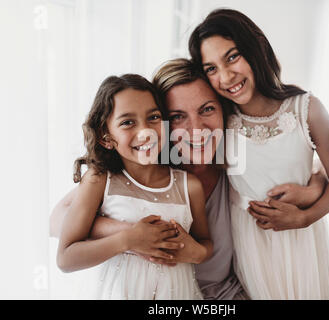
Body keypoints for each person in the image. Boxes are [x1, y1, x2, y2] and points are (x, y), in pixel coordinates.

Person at [51, 60, 328, 300]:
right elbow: (57, 219)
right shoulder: (139, 169)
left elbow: (307, 162)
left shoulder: (233, 162)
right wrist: (133, 234)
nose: (195, 129)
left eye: (207, 109)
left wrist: (314, 186)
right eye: (177, 116)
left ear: (223, 112)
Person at [188, 8, 329, 299]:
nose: (226, 76)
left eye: (232, 57)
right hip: (249, 241)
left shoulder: (307, 110)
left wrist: (307, 214)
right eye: (211, 68)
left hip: (303, 235)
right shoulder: (220, 121)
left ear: (256, 48)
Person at [56, 74, 212, 299]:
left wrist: (197, 253)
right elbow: (66, 258)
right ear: (105, 137)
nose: (145, 132)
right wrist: (127, 240)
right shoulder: (99, 180)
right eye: (128, 122)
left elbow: (205, 242)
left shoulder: (189, 186)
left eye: (154, 117)